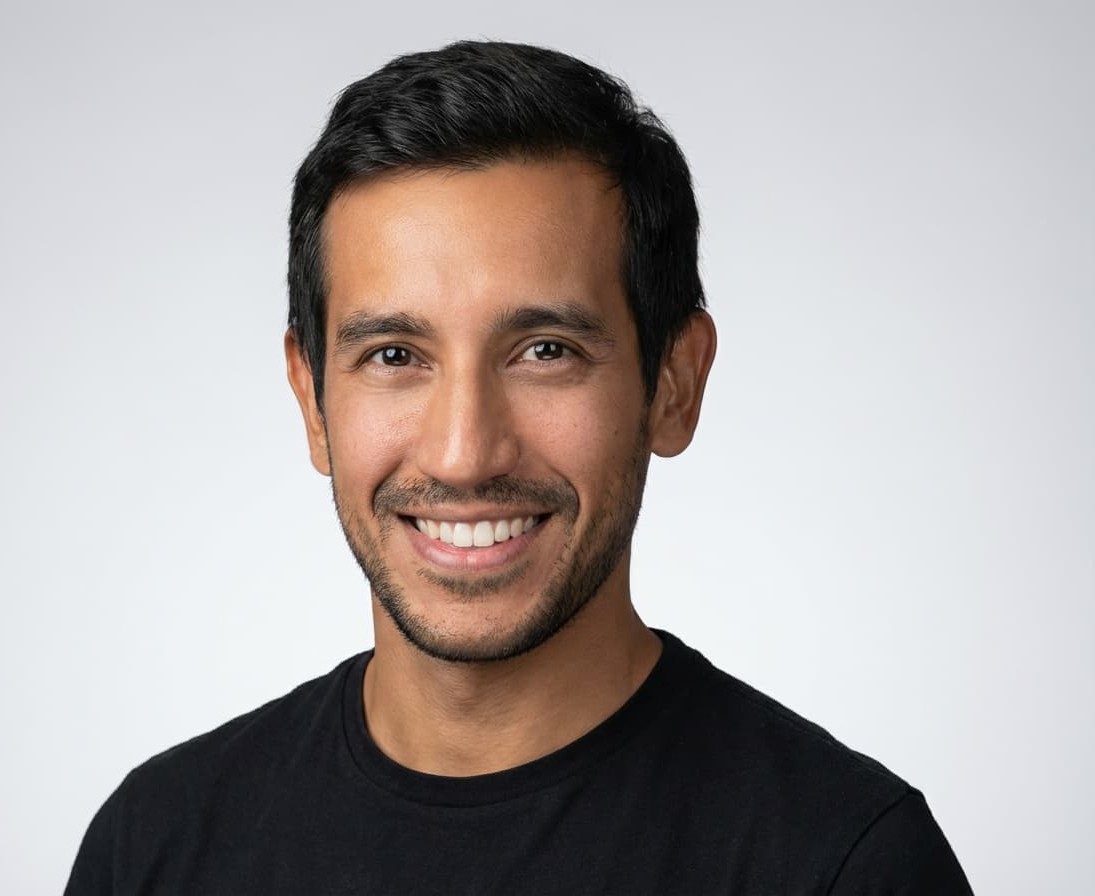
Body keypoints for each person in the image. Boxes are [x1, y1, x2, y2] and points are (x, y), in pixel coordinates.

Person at [65, 41, 971, 894]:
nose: (465, 455)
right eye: (393, 355)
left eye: (544, 351)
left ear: (673, 384)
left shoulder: (844, 863)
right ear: (312, 402)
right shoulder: (155, 848)